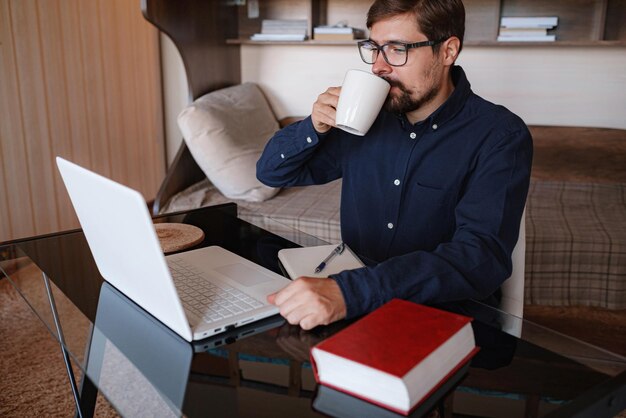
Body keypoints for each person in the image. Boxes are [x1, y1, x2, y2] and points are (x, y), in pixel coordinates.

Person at [256, 0, 532, 330]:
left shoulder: (500, 135)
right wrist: (311, 126)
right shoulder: (367, 118)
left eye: (397, 49)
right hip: (355, 306)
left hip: (443, 316)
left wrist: (352, 291)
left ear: (448, 51)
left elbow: (480, 258)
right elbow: (272, 172)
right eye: (374, 49)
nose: (379, 67)